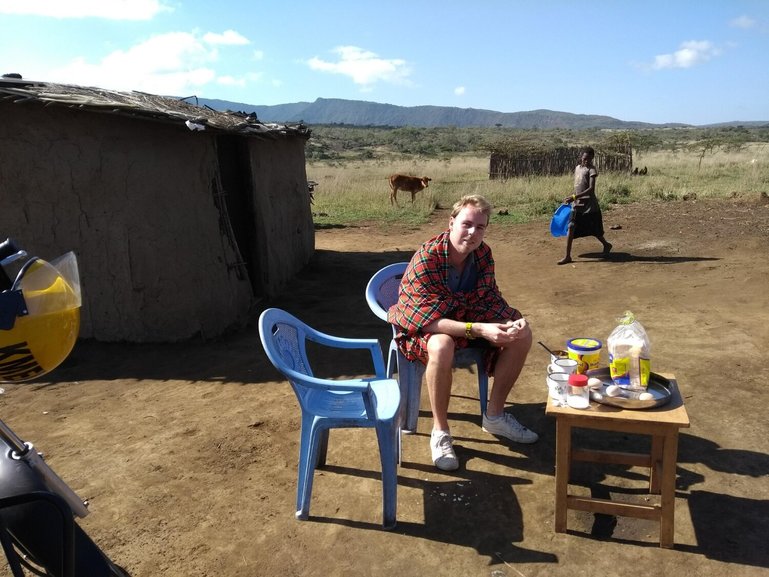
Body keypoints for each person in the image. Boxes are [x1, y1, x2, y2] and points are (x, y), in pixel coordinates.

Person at [387, 194, 537, 471]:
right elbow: (422, 318)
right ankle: (440, 432)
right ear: (451, 222)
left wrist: (512, 320)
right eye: (467, 224)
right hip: (425, 327)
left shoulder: (482, 254)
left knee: (522, 335)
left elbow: (488, 297)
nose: (472, 233)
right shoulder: (428, 258)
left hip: (469, 317)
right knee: (442, 345)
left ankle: (494, 415)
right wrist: (477, 329)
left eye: (480, 227)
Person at [558, 146, 612, 265]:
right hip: (577, 204)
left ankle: (606, 244)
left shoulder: (592, 170)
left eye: (588, 159)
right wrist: (574, 198)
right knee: (571, 227)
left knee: (595, 229)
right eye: (583, 158)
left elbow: (591, 189)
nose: (585, 161)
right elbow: (578, 185)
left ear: (592, 158)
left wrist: (574, 197)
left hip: (589, 205)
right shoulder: (578, 168)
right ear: (581, 157)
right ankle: (567, 256)